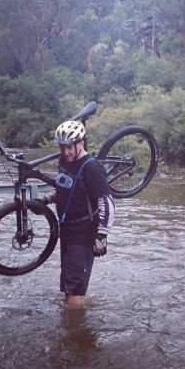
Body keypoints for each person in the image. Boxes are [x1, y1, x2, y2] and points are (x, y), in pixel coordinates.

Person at [37, 120, 115, 306]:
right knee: (73, 286)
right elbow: (67, 189)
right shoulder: (65, 162)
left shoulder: (91, 167)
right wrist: (46, 200)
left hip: (83, 234)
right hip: (67, 231)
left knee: (71, 290)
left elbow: (108, 203)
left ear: (81, 143)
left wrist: (102, 235)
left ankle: (74, 331)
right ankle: (84, 313)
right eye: (62, 147)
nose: (65, 152)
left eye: (69, 147)